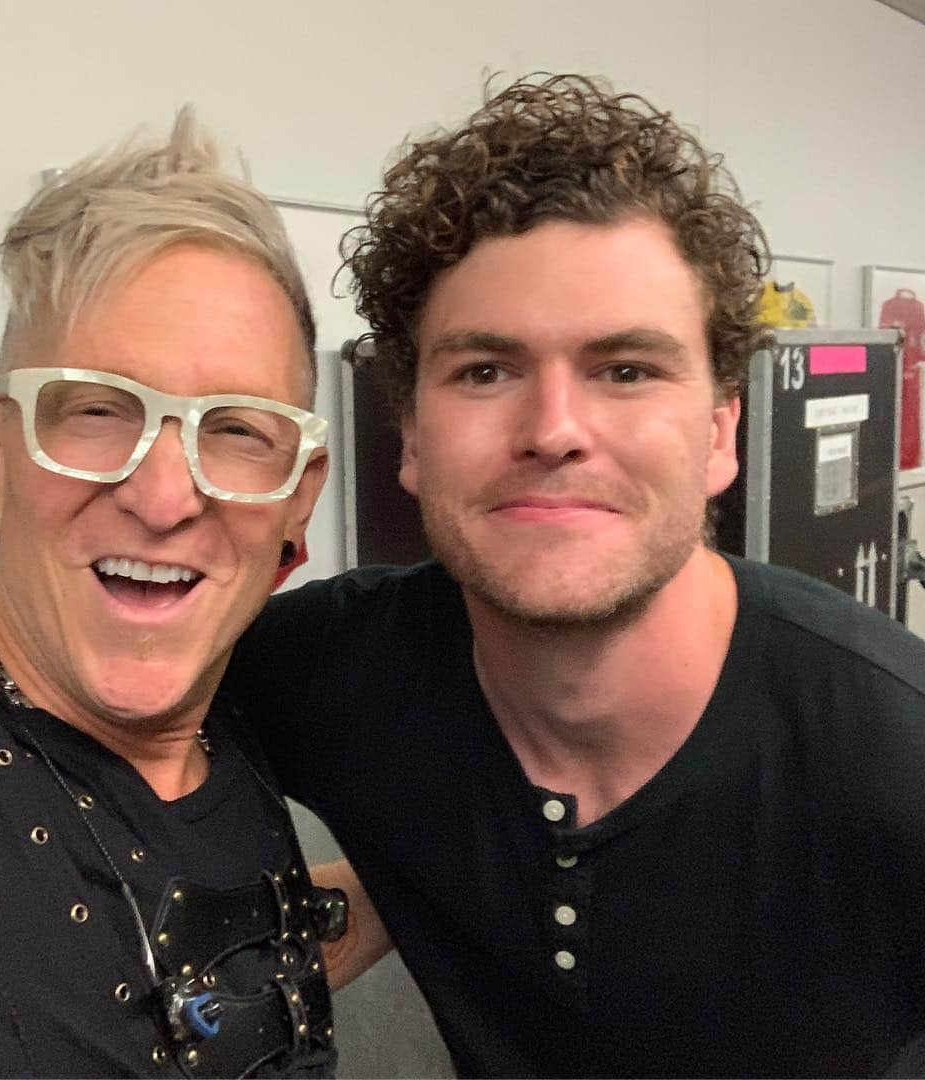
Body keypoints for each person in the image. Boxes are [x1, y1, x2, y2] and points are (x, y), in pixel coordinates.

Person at [223, 75, 925, 1078]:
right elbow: (54, 700)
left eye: (627, 369)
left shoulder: (892, 755)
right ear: (410, 436)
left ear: (722, 432)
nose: (554, 430)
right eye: (485, 371)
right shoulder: (333, 672)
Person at [0, 107, 366, 1078]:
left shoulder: (231, 723)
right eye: (94, 410)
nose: (166, 497)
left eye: (237, 430)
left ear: (299, 502)